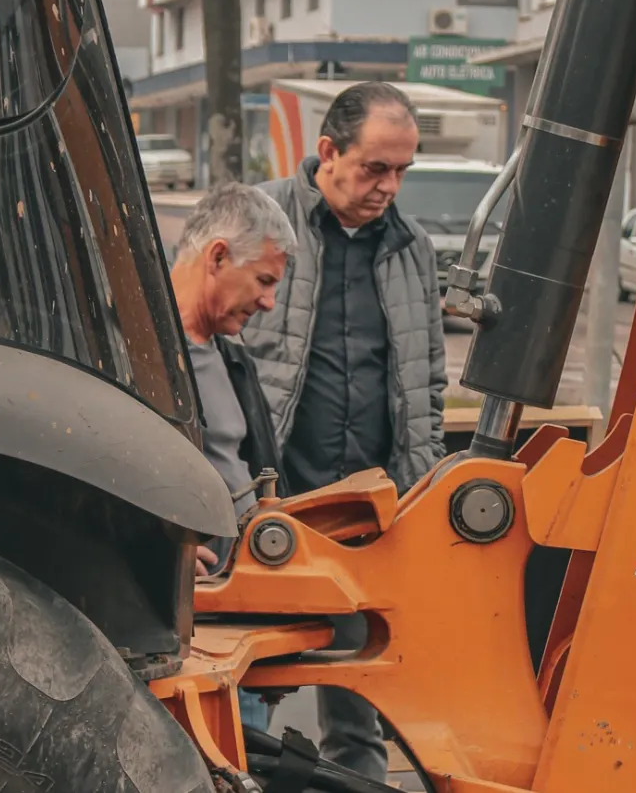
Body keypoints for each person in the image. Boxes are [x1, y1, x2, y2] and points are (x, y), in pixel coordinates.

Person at [242, 80, 448, 781]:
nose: (389, 186)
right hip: (271, 503)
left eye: (401, 172)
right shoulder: (258, 221)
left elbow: (426, 382)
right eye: (375, 169)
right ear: (327, 152)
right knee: (250, 677)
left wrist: (417, 488)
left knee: (360, 690)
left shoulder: (411, 249)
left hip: (372, 512)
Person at [167, 181, 296, 733]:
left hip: (233, 620)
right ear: (218, 256)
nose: (268, 301)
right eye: (264, 281)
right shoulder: (131, 356)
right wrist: (158, 546)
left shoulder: (231, 359)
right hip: (177, 634)